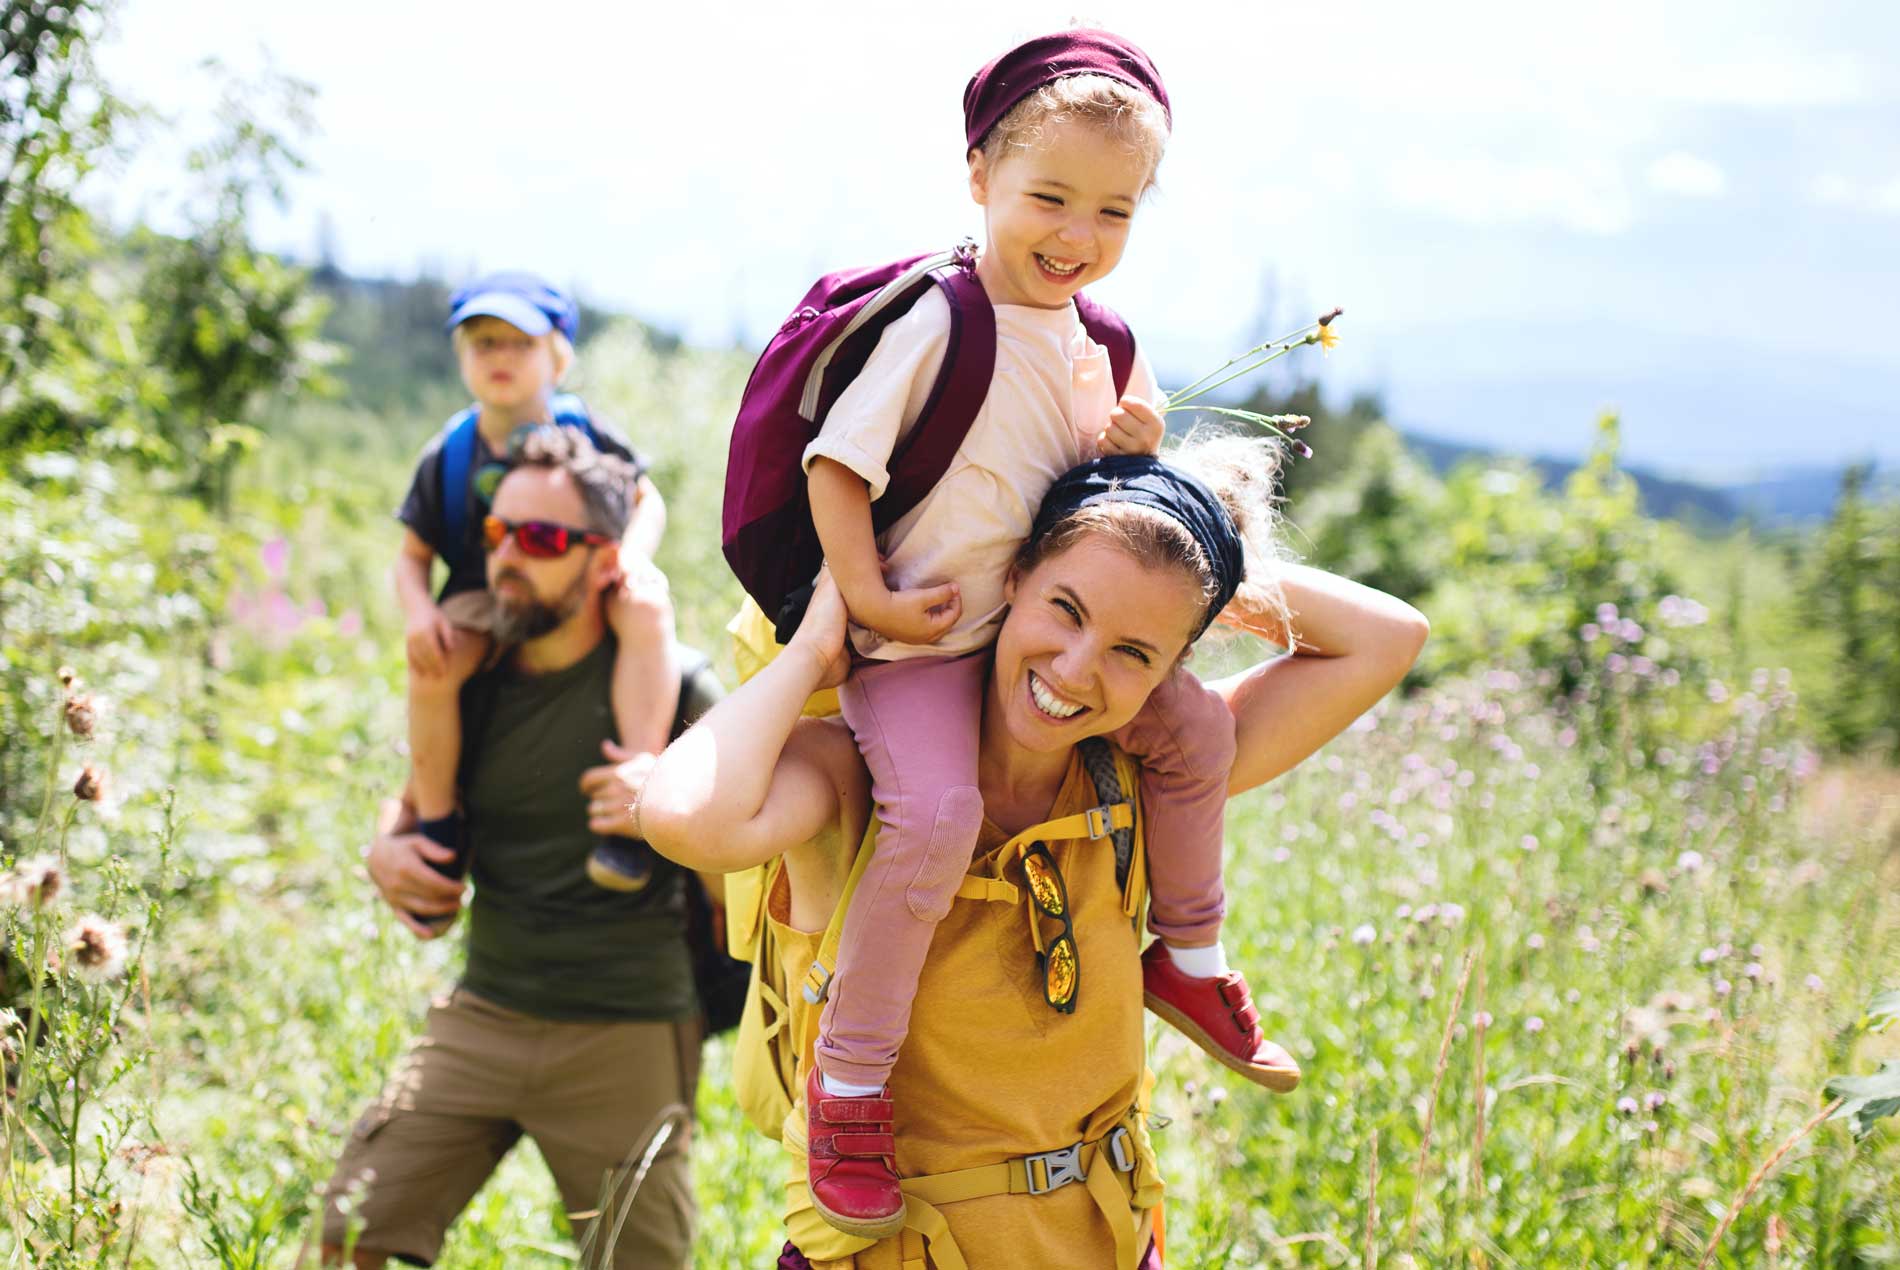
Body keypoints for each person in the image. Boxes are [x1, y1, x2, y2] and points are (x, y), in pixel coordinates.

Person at [638, 443, 1430, 1268]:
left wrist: (1181, 553)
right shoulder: (858, 777)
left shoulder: (1142, 784)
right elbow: (683, 818)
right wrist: (811, 652)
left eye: (1135, 652)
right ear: (1008, 578)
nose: (1076, 670)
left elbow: (1387, 637)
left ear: (1170, 669)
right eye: (1068, 608)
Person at [791, 28, 1290, 1238]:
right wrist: (861, 599)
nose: (1077, 233)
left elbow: (1106, 499)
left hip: (1028, 629)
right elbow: (836, 466)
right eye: (1049, 197)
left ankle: (1189, 949)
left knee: (1189, 736)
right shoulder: (939, 319)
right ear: (979, 177)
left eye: (1112, 211)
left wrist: (1128, 441)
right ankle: (850, 1082)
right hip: (920, 644)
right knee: (938, 815)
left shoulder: (1097, 340)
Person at [324, 428, 713, 1269]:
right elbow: (424, 797)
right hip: (487, 1009)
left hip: (628, 1025)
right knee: (349, 1230)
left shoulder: (677, 685)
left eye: (540, 540)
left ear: (605, 558)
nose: (506, 560)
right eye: (498, 535)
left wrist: (672, 803)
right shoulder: (470, 671)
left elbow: (749, 861)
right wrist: (384, 848)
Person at [392, 271, 677, 896]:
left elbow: (645, 498)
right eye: (482, 343)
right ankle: (439, 824)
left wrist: (631, 555)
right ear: (461, 356)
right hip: (482, 591)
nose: (500, 358)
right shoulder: (449, 453)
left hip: (579, 578)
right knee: (432, 668)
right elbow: (411, 556)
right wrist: (419, 613)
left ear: (558, 357)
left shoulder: (588, 432)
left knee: (647, 608)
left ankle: (631, 796)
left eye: (520, 343)